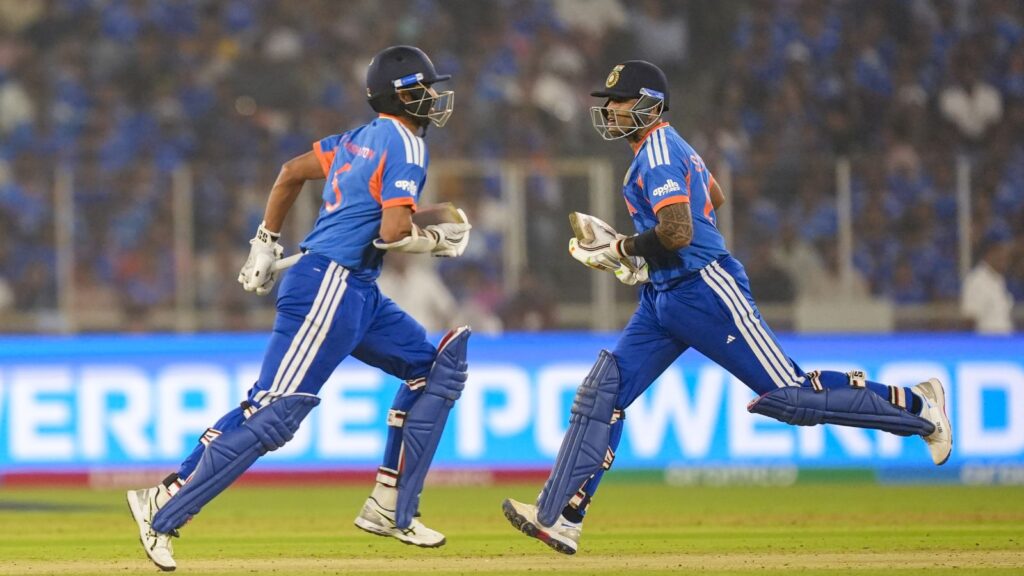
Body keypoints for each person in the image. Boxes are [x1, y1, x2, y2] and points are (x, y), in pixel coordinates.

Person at [501, 60, 952, 556]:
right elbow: (711, 196)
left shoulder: (658, 152)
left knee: (791, 395)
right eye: (608, 102)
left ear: (649, 104)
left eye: (620, 101)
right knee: (602, 393)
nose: (609, 110)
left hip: (704, 288)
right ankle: (560, 517)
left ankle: (918, 406)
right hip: (666, 294)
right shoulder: (666, 148)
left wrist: (624, 249)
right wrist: (645, 259)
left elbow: (678, 231)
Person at [127, 45, 473, 571]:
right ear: (400, 95)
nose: (433, 98)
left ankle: (390, 505)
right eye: (424, 89)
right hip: (332, 284)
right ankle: (166, 503)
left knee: (434, 372)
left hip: (351, 286)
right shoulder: (407, 143)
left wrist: (264, 242)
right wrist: (436, 241)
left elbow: (292, 172)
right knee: (275, 412)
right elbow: (392, 232)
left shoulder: (357, 139)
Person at [961, 231, 1015, 334]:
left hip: (1003, 341)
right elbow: (969, 322)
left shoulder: (999, 280)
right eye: (1000, 251)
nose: (1005, 256)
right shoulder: (976, 280)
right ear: (989, 253)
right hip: (985, 342)